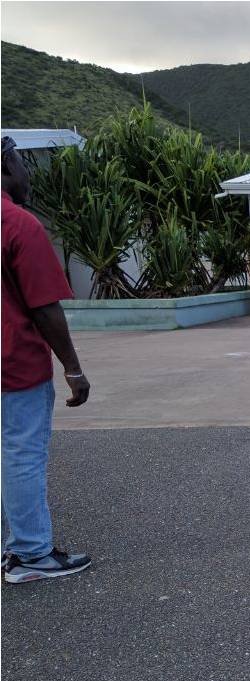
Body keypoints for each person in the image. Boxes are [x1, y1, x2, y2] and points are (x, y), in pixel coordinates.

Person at [1, 134, 92, 584]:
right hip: (13, 363)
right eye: (18, 161)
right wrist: (72, 367)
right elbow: (44, 307)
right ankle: (31, 554)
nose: (24, 171)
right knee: (21, 453)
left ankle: (16, 545)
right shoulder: (17, 224)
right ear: (3, 166)